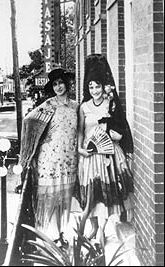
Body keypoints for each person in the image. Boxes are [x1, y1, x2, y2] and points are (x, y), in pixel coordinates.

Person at [74, 54, 134, 241]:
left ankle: (104, 228)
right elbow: (81, 132)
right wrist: (80, 149)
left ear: (103, 86)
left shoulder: (111, 104)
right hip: (90, 155)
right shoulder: (84, 107)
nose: (94, 91)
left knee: (109, 193)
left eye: (97, 86)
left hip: (109, 155)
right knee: (91, 193)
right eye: (90, 87)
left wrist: (116, 136)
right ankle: (93, 227)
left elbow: (119, 127)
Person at [19, 68, 78, 245]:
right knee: (50, 198)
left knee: (65, 197)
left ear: (67, 84)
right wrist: (40, 142)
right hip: (49, 159)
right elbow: (28, 121)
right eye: (55, 84)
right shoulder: (49, 105)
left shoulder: (76, 106)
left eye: (61, 83)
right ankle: (50, 237)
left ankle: (62, 233)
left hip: (69, 157)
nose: (59, 87)